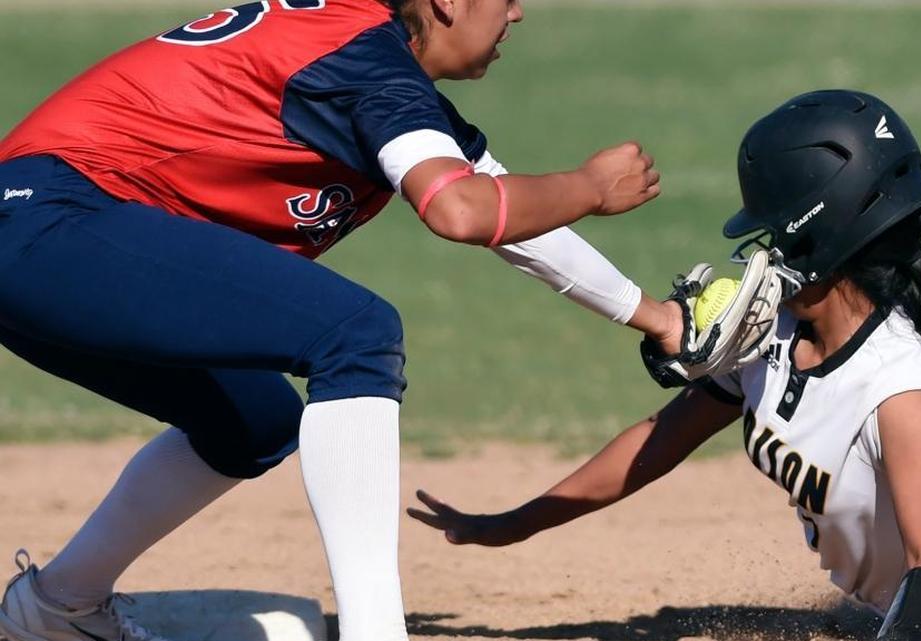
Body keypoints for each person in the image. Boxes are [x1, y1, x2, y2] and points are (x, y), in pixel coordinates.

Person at [0, 1, 685, 641]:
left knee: (254, 419)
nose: (516, 12)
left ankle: (58, 606)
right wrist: (592, 187)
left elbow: (511, 222)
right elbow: (462, 211)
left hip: (45, 236)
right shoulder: (365, 63)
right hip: (52, 218)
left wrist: (657, 319)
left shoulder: (367, 58)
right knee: (355, 334)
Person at [409, 89, 921, 641]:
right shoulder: (774, 332)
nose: (757, 254)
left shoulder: (900, 395)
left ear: (817, 237)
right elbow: (659, 440)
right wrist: (520, 521)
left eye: (769, 234)